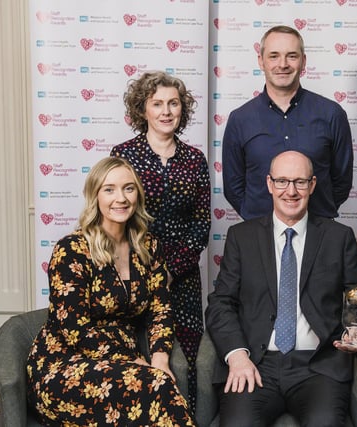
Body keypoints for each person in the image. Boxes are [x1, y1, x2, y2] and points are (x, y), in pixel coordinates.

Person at [26, 157, 196, 426]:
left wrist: (161, 359)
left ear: (137, 195)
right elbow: (74, 329)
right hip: (65, 364)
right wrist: (135, 360)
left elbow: (160, 310)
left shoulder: (149, 247)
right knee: (156, 387)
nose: (121, 198)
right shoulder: (71, 249)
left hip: (123, 364)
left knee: (157, 384)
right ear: (95, 195)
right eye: (109, 189)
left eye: (128, 188)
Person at [206, 150, 357, 426]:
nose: (290, 191)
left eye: (300, 182)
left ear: (312, 185)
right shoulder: (241, 237)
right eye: (282, 181)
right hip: (256, 363)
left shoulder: (338, 237)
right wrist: (236, 356)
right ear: (269, 184)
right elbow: (221, 303)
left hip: (318, 366)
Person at [111, 70, 210, 409]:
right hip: (132, 272)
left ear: (183, 109)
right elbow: (115, 215)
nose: (166, 111)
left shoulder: (195, 160)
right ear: (143, 110)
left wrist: (170, 272)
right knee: (136, 352)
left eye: (173, 103)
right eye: (157, 104)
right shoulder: (123, 155)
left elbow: (201, 225)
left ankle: (187, 415)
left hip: (181, 280)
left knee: (188, 359)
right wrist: (145, 272)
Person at [222, 25, 354, 220]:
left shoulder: (332, 114)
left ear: (303, 61)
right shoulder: (239, 119)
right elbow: (233, 187)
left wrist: (316, 216)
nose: (282, 64)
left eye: (291, 56)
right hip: (259, 236)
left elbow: (341, 182)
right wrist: (259, 220)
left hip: (318, 235)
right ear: (261, 61)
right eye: (274, 56)